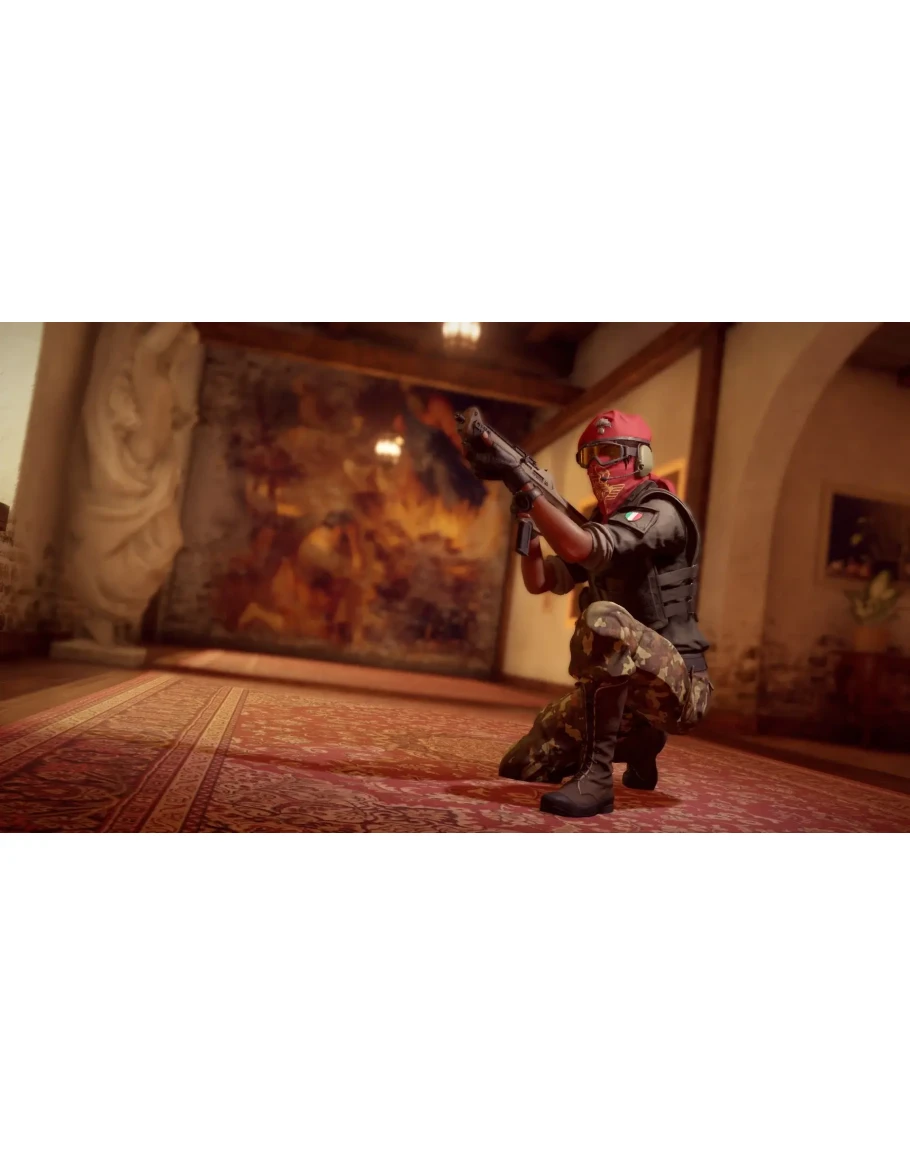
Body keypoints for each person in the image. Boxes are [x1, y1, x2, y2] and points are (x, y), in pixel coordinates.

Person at [462, 409, 713, 818]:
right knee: (523, 765)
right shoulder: (600, 522)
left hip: (679, 686)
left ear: (640, 459)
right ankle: (639, 743)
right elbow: (540, 580)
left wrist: (528, 485)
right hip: (628, 684)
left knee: (602, 617)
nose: (597, 466)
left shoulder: (661, 511)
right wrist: (528, 522)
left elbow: (585, 548)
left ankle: (596, 778)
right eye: (589, 456)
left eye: (609, 452)